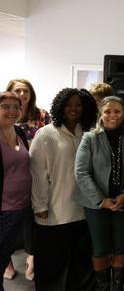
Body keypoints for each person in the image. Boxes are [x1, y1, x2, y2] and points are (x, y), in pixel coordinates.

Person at [30, 88, 98, 290]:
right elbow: (37, 173)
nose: (74, 109)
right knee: (53, 263)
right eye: (69, 104)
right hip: (54, 210)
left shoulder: (89, 132)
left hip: (84, 210)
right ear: (60, 107)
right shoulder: (46, 134)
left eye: (78, 104)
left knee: (80, 263)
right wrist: (39, 205)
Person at [74, 96, 124, 291]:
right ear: (100, 114)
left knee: (121, 246)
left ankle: (117, 287)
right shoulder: (89, 138)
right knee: (100, 248)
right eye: (107, 111)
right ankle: (102, 287)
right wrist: (101, 200)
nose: (112, 115)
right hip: (96, 204)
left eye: (117, 111)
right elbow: (81, 172)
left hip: (123, 202)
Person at [4, 78, 50, 281]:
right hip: (5, 198)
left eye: (25, 91)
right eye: (6, 107)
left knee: (29, 225)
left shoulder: (24, 128)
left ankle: (32, 259)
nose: (12, 110)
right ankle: (7, 265)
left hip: (28, 190)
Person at [0, 91, 31, 291]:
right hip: (3, 210)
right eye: (5, 107)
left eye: (16, 107)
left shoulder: (19, 132)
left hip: (22, 208)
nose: (12, 111)